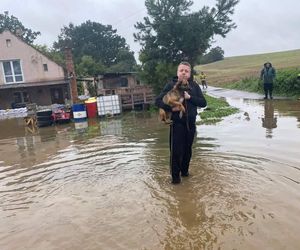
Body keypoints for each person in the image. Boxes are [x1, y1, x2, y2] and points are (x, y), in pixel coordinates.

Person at [155, 62, 207, 184]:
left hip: (191, 124)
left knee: (188, 150)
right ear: (177, 72)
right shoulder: (170, 85)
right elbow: (157, 101)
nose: (184, 72)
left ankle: (185, 173)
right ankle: (175, 180)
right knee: (176, 152)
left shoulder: (194, 86)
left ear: (190, 73)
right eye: (181, 70)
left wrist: (190, 98)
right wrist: (171, 109)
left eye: (186, 71)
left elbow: (203, 103)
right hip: (176, 124)